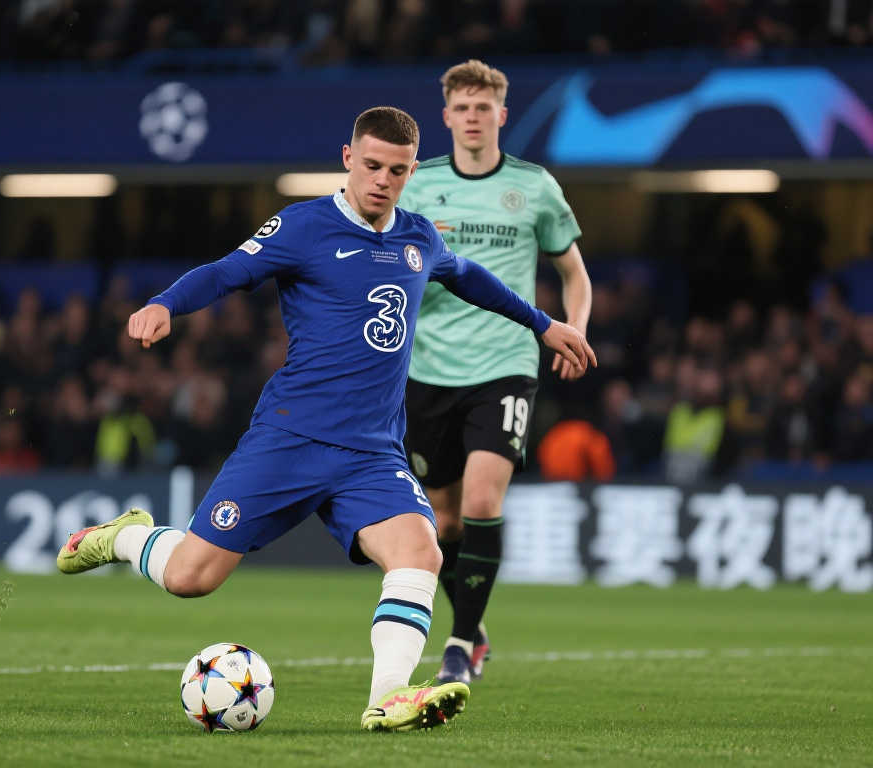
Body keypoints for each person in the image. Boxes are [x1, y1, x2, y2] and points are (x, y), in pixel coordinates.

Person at [57, 106, 595, 732]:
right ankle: (124, 537)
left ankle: (388, 697)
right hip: (290, 439)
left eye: (397, 170)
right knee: (190, 578)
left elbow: (470, 277)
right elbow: (227, 272)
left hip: (372, 453)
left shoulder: (420, 238)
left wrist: (543, 324)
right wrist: (166, 304)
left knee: (420, 553)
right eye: (372, 165)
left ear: (411, 172)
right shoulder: (303, 226)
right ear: (348, 159)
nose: (382, 180)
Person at [397, 60, 593, 685]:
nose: (473, 117)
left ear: (502, 115)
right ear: (447, 116)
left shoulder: (534, 187)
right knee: (444, 521)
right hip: (427, 368)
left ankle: (458, 646)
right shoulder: (419, 186)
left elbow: (574, 273)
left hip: (506, 363)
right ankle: (474, 624)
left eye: (484, 107)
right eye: (463, 107)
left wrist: (574, 328)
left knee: (483, 501)